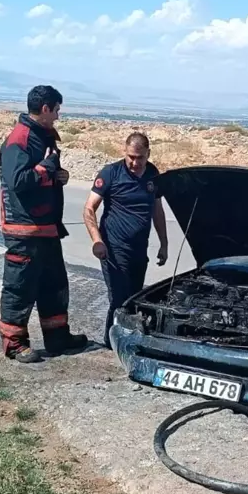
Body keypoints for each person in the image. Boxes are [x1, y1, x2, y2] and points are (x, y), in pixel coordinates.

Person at [0, 85, 87, 363]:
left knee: (54, 285)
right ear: (46, 108)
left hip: (46, 228)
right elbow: (18, 182)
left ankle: (58, 338)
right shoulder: (20, 138)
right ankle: (14, 344)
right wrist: (46, 168)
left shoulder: (42, 136)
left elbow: (43, 175)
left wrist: (59, 175)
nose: (59, 116)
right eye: (57, 109)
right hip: (23, 230)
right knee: (20, 287)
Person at [83, 132, 168, 349]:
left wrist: (164, 243)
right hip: (113, 248)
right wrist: (96, 240)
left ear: (148, 154)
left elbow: (157, 210)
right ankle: (111, 343)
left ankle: (126, 340)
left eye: (139, 157)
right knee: (119, 299)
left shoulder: (152, 174)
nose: (134, 162)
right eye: (131, 156)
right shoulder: (111, 173)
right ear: (124, 152)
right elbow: (89, 209)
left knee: (134, 298)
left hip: (139, 250)